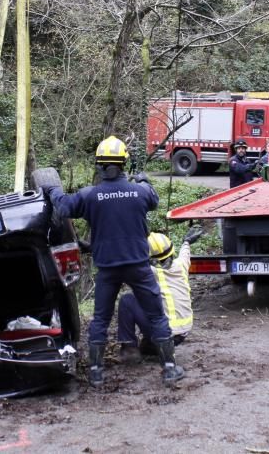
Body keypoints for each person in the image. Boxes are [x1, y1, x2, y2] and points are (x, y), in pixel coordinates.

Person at [42, 136, 185, 388]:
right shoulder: (140, 192)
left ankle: (96, 373)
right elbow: (153, 198)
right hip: (139, 266)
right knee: (157, 316)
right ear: (124, 164)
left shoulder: (90, 195)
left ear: (98, 165)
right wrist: (143, 178)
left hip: (108, 267)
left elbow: (63, 207)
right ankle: (170, 369)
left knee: (100, 319)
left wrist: (52, 188)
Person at [116, 227, 204, 363]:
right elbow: (185, 253)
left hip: (164, 333)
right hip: (182, 335)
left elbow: (123, 260)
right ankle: (151, 345)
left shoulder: (149, 273)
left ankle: (130, 350)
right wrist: (186, 241)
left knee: (128, 300)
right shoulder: (181, 265)